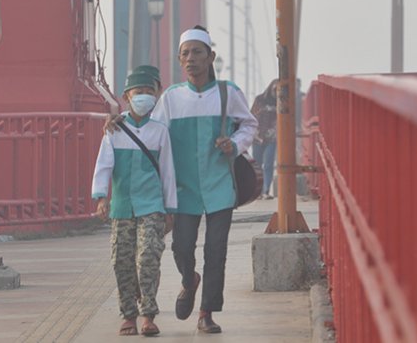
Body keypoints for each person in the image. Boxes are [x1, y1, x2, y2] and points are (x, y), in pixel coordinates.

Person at [151, 25, 257, 334]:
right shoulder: (171, 98)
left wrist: (234, 144)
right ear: (179, 59)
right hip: (184, 188)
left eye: (198, 52)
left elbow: (248, 125)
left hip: (219, 184)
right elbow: (152, 136)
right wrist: (120, 126)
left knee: (216, 250)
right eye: (185, 54)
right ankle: (189, 280)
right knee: (182, 247)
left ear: (211, 56)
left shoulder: (228, 92)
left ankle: (207, 311)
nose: (191, 59)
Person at [92, 70, 178, 337]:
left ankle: (148, 314)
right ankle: (128, 314)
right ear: (126, 97)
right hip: (122, 206)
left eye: (149, 92)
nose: (143, 97)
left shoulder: (160, 131)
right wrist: (101, 197)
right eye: (138, 92)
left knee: (148, 257)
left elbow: (167, 171)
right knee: (122, 260)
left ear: (157, 95)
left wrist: (170, 209)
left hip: (152, 206)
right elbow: (104, 165)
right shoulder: (115, 129)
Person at [251, 79, 278, 199]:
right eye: (275, 89)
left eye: (279, 90)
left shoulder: (281, 102)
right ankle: (258, 192)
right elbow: (251, 116)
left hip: (272, 138)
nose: (276, 92)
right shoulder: (260, 100)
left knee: (268, 164)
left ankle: (266, 191)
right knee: (257, 165)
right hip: (257, 136)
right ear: (270, 87)